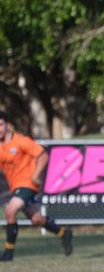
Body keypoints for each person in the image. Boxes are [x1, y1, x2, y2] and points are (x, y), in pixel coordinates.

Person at [0, 110, 73, 261]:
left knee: (10, 211)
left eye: (0, 125)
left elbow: (43, 155)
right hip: (16, 187)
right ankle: (63, 233)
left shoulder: (21, 141)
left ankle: (8, 252)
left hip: (28, 184)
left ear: (7, 125)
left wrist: (35, 175)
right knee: (37, 219)